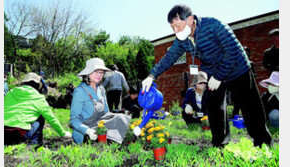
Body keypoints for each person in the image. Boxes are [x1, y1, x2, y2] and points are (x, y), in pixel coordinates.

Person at [141, 4, 272, 147]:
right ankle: (220, 144)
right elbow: (169, 57)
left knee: (250, 106)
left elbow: (232, 50)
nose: (175, 31)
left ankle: (263, 142)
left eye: (178, 25)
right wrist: (151, 76)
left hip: (237, 68)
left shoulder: (214, 25)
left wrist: (219, 76)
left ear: (190, 19)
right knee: (214, 107)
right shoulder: (182, 40)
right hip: (212, 71)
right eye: (172, 27)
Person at [70, 58, 131, 144]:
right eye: (95, 71)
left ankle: (120, 139)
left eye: (101, 72)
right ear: (87, 73)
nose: (98, 75)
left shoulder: (101, 89)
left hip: (100, 125)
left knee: (121, 117)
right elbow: (73, 120)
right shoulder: (80, 91)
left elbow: (106, 113)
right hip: (86, 131)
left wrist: (117, 117)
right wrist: (88, 131)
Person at [4, 72, 72, 146]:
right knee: (41, 116)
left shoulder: (11, 92)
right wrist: (63, 133)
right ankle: (34, 143)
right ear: (38, 86)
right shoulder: (39, 97)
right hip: (18, 133)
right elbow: (51, 118)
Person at [231, 46, 256, 117]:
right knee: (237, 103)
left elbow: (254, 74)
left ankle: (249, 116)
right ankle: (235, 116)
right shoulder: (235, 64)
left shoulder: (250, 63)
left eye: (246, 53)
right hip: (238, 87)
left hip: (247, 86)